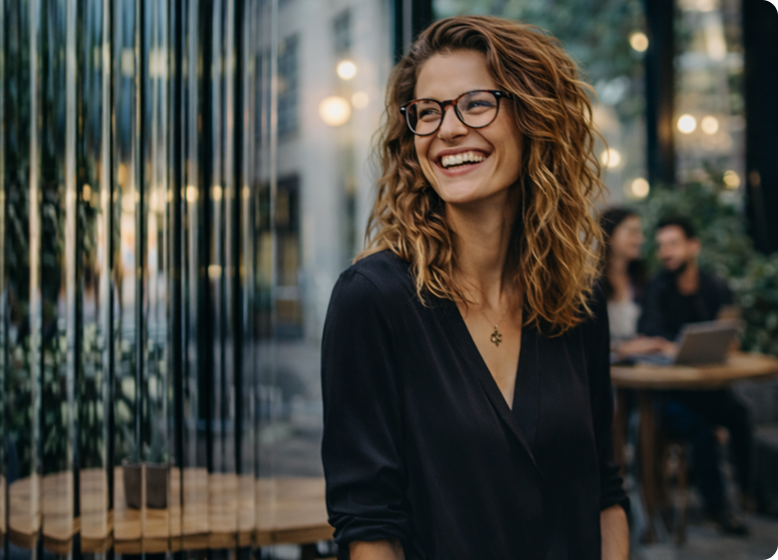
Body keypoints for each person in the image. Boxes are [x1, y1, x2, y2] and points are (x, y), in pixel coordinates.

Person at [321, 16, 629, 560]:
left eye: (477, 104)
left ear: (533, 118)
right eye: (428, 111)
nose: (447, 129)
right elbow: (369, 527)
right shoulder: (372, 299)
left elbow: (604, 492)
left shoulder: (578, 299)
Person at [639, 216, 752, 535]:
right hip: (671, 395)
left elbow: (728, 330)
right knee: (701, 430)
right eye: (661, 246)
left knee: (740, 416)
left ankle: (748, 494)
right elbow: (651, 332)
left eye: (672, 244)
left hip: (708, 389)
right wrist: (668, 345)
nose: (665, 252)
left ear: (693, 246)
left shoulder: (714, 285)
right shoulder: (657, 288)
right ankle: (717, 508)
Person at [600, 207, 670, 359]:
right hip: (602, 366)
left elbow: (652, 328)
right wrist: (621, 347)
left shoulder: (643, 282)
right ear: (609, 235)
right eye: (632, 232)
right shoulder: (590, 283)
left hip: (636, 365)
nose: (640, 239)